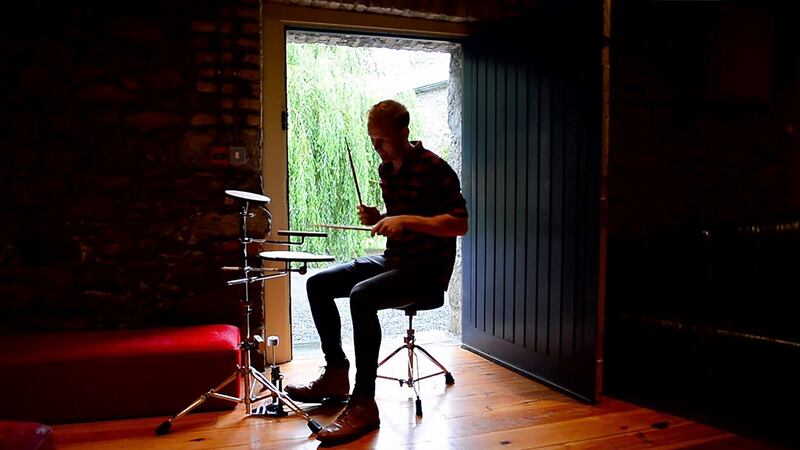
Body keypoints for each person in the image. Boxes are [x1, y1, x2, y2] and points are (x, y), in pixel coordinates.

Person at [285, 99, 468, 445]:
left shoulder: (435, 169)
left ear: (404, 132)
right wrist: (379, 217)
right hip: (395, 260)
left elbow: (459, 224)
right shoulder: (387, 170)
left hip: (426, 270)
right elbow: (401, 219)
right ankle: (337, 374)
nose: (376, 147)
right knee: (318, 284)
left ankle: (364, 402)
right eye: (372, 140)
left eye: (382, 140)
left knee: (362, 295)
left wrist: (405, 220)